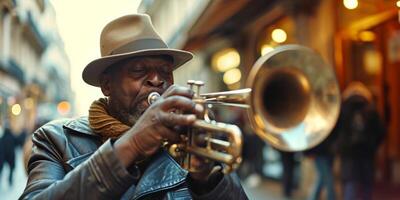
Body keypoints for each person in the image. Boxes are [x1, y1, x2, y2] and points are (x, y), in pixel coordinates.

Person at [20, 14, 248, 199]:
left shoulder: (188, 141)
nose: (157, 80)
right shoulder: (56, 139)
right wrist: (135, 143)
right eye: (139, 70)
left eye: (165, 72)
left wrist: (208, 178)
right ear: (107, 85)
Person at [335, 82, 386, 200]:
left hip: (349, 154)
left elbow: (335, 131)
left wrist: (339, 145)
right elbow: (381, 131)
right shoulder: (371, 109)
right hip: (366, 152)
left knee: (350, 185)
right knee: (366, 186)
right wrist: (373, 144)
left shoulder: (342, 110)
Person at [304, 127, 338, 200]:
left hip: (329, 152)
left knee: (321, 179)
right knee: (329, 180)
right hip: (319, 153)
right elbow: (310, 134)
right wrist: (308, 152)